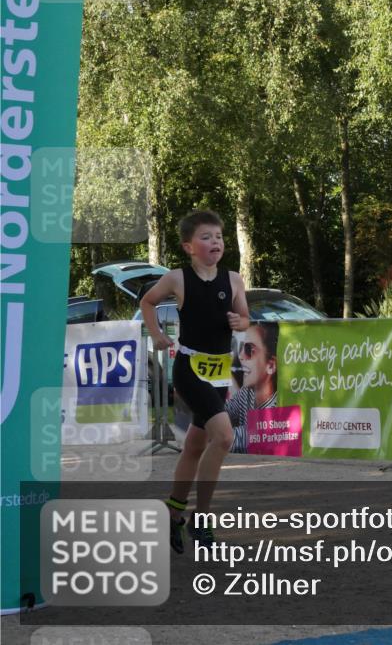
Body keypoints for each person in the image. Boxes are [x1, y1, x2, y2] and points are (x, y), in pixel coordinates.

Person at [140, 210, 249, 552]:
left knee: (194, 446)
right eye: (206, 237)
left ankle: (173, 511)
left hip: (219, 371)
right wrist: (157, 334)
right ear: (189, 247)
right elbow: (147, 301)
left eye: (218, 236)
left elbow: (246, 318)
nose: (215, 241)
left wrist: (239, 321)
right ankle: (200, 521)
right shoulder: (177, 278)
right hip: (189, 368)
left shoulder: (233, 279)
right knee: (225, 436)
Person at [227, 323, 279, 453]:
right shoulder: (247, 392)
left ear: (271, 366)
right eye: (241, 349)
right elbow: (225, 412)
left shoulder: (277, 407)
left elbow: (230, 439)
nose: (240, 356)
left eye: (249, 349)